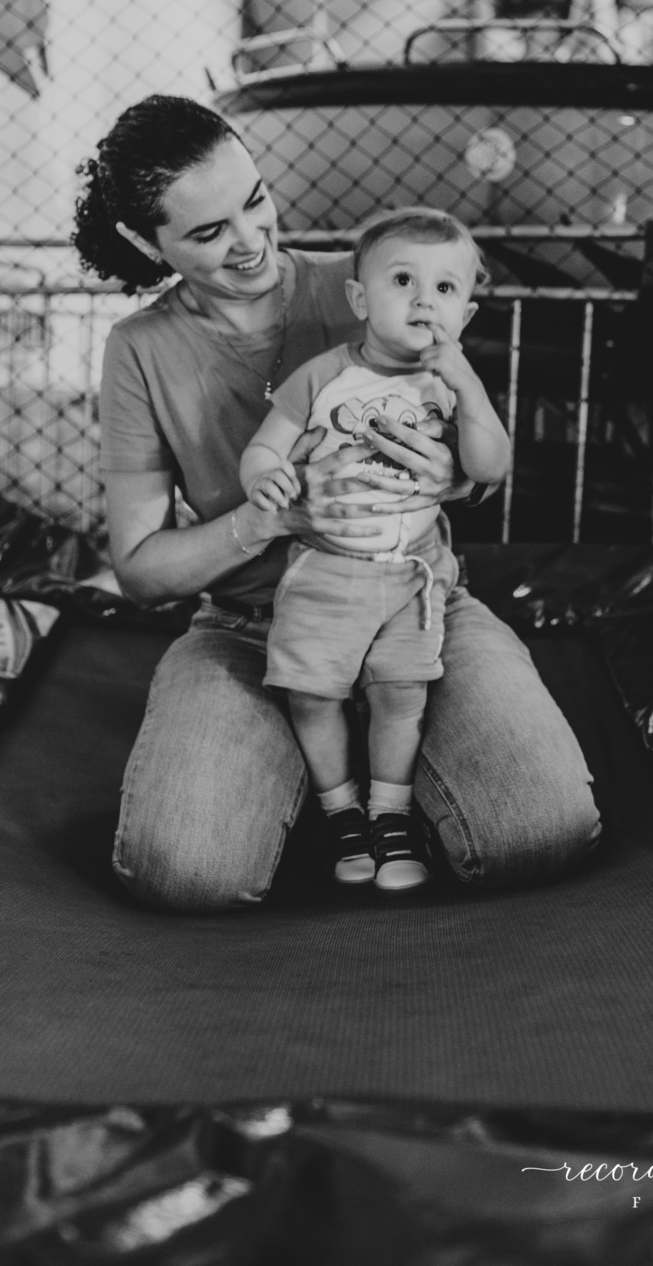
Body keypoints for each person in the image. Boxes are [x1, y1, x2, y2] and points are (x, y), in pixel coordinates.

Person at [74, 94, 600, 913]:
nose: (250, 241)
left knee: (542, 826)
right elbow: (141, 572)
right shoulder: (140, 349)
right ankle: (327, 779)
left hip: (414, 603)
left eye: (254, 201)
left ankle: (380, 769)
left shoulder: (368, 281)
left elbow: (476, 451)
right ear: (149, 243)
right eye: (208, 232)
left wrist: (452, 472)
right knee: (183, 869)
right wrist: (272, 519)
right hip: (253, 628)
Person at [240, 209, 512, 893]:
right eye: (402, 280)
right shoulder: (323, 376)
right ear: (360, 300)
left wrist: (470, 389)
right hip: (328, 570)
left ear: (465, 315)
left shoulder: (452, 387)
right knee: (312, 696)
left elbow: (490, 466)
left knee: (400, 693)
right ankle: (342, 815)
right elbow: (266, 445)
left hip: (412, 578)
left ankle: (391, 815)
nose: (424, 301)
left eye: (444, 288)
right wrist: (265, 476)